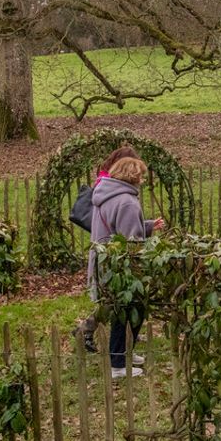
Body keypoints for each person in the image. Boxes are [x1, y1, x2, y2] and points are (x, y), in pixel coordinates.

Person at [90, 157, 165, 378]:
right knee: (126, 309)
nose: (142, 180)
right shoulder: (127, 202)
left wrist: (148, 226)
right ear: (133, 176)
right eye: (141, 175)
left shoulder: (106, 193)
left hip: (104, 261)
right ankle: (118, 364)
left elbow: (116, 228)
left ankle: (125, 353)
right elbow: (131, 241)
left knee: (120, 309)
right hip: (121, 268)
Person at [79, 147, 142, 353]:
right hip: (114, 258)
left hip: (102, 251)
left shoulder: (104, 187)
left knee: (110, 300)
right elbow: (129, 237)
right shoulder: (124, 200)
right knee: (117, 302)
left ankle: (95, 333)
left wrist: (147, 225)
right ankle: (116, 349)